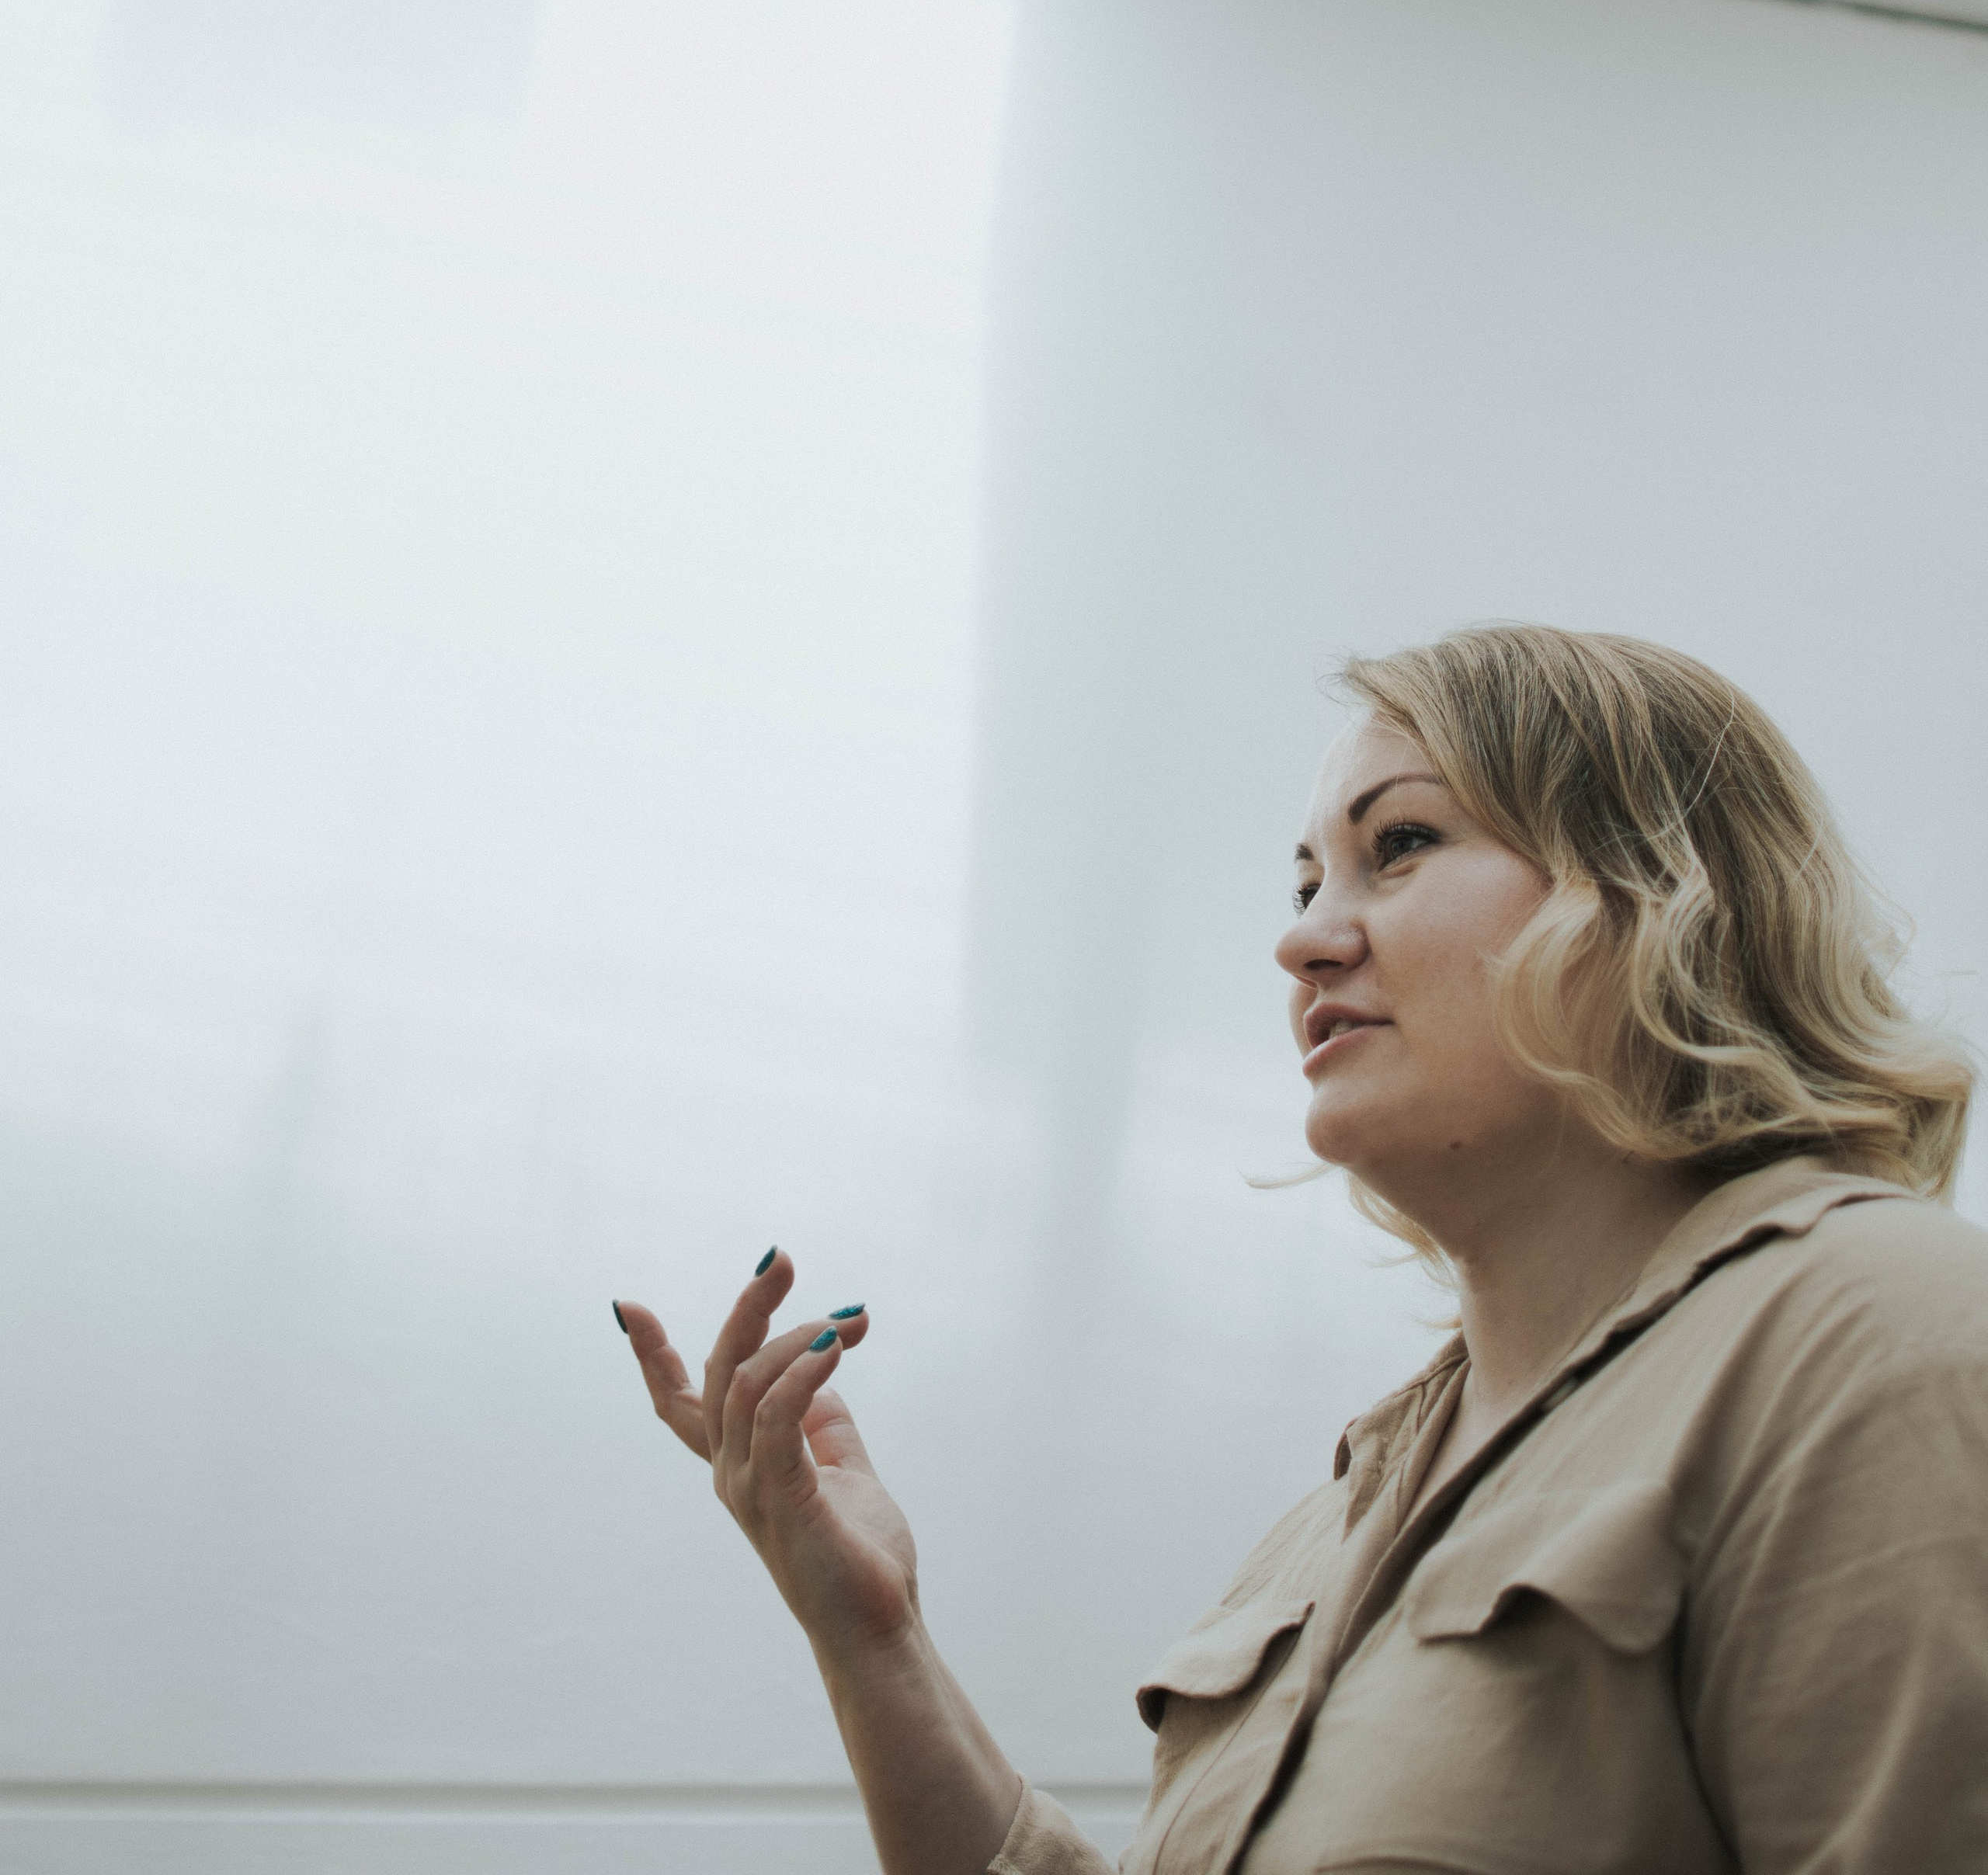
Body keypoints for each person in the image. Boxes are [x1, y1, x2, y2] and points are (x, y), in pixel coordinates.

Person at [614, 625, 1988, 1873]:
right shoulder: (1337, 1516)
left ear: (1653, 894)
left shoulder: (1874, 1334)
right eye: (1307, 877)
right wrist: (870, 1639)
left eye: (1399, 847)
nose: (1303, 939)